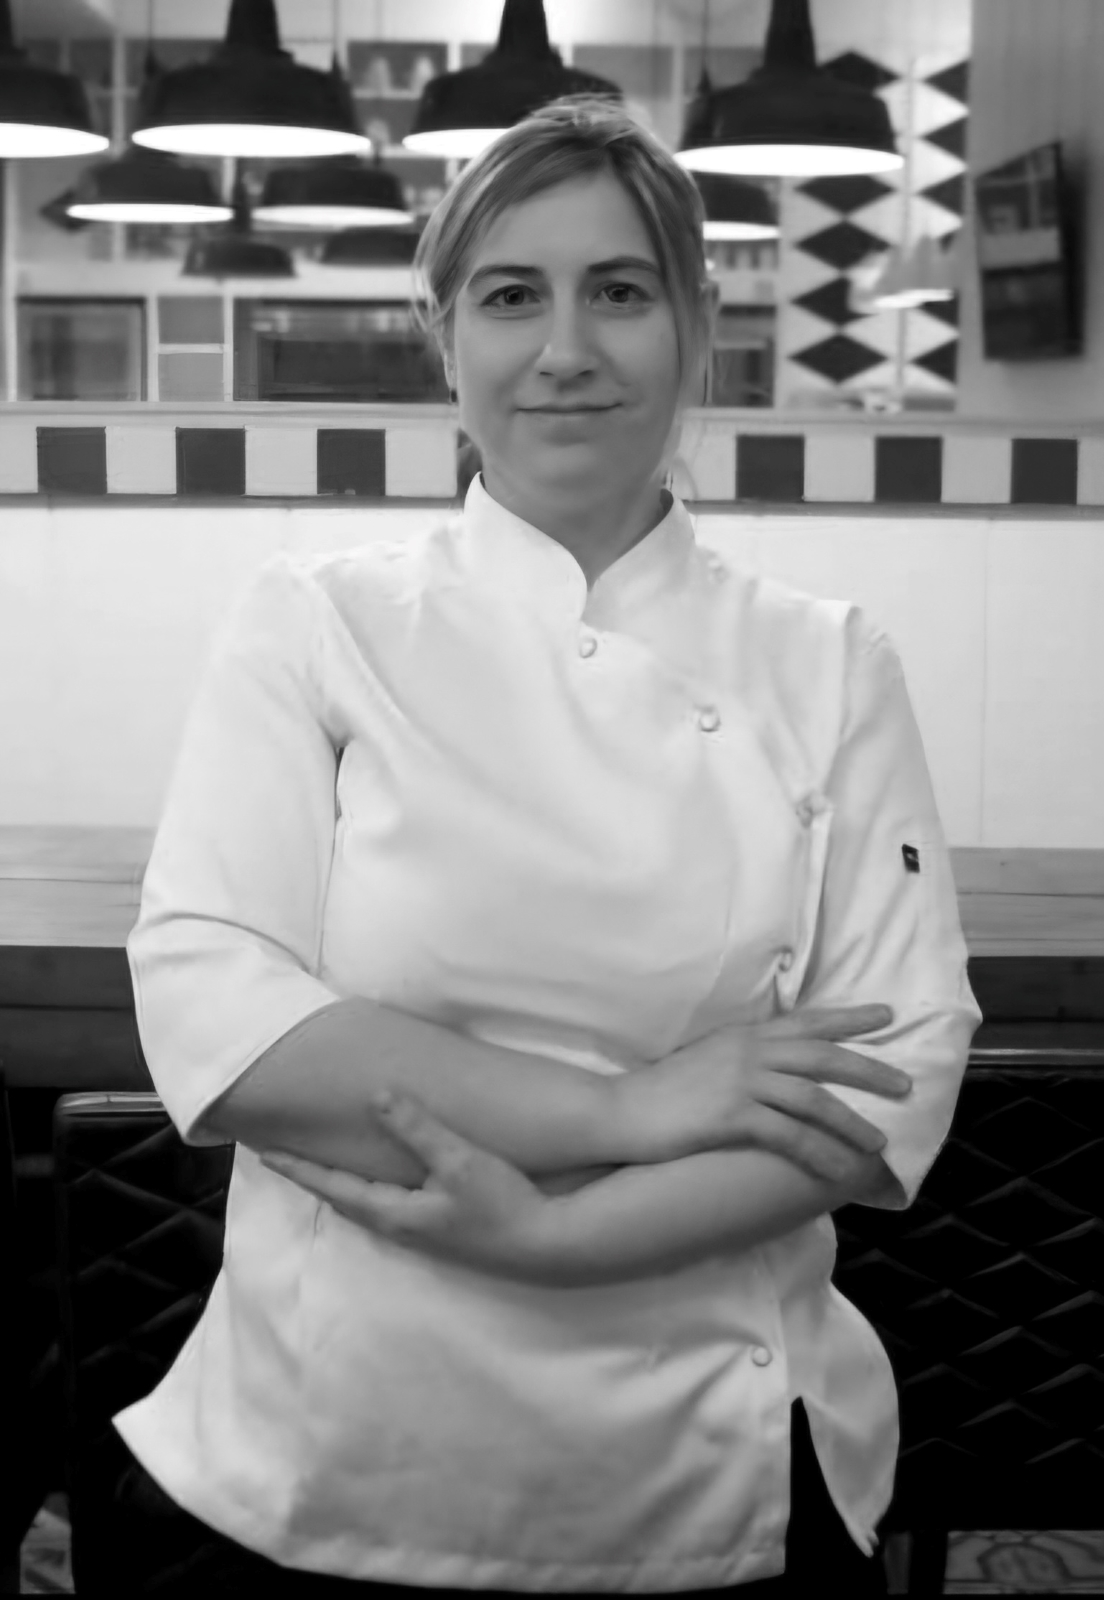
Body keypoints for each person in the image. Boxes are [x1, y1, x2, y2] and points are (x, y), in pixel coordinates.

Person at [108, 98, 981, 1596]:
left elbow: (887, 1073)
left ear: (697, 327)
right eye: (512, 295)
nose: (566, 348)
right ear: (443, 338)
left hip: (703, 1451)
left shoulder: (827, 660)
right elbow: (220, 1021)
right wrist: (627, 1109)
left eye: (619, 291)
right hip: (350, 1424)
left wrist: (553, 1241)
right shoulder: (320, 623)